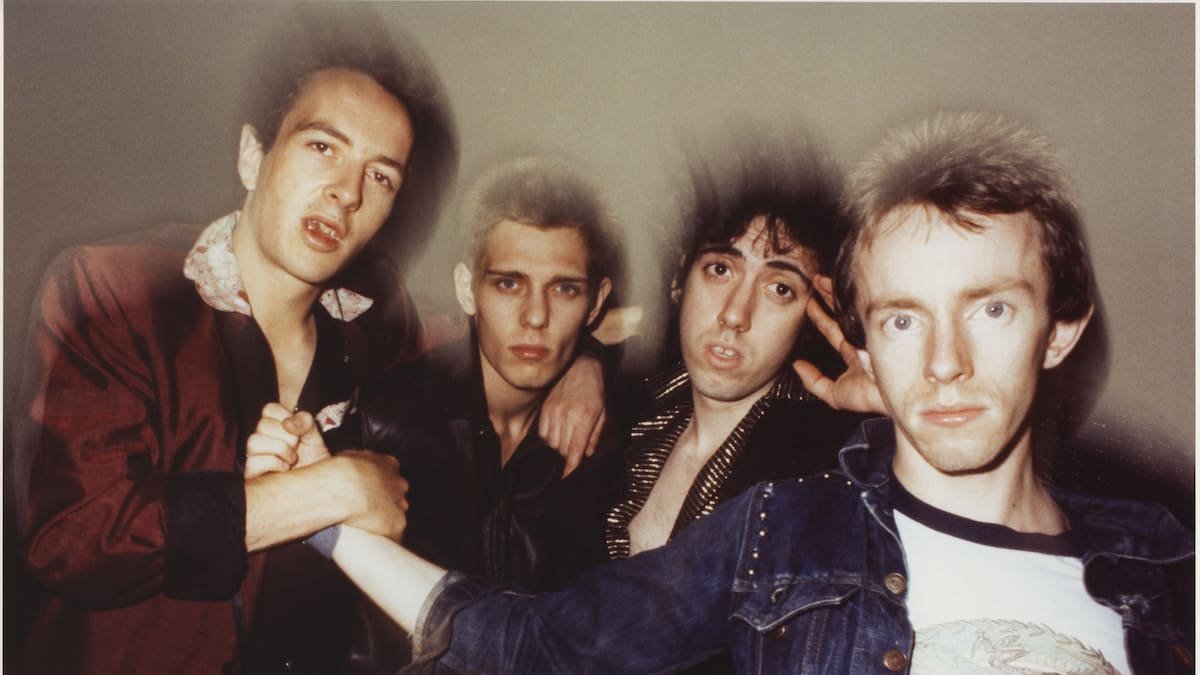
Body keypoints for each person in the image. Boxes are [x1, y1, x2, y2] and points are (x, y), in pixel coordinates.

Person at [316, 112, 1195, 674]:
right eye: (904, 319)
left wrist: (903, 407)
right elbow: (537, 636)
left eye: (991, 308)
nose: (946, 360)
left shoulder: (1168, 572)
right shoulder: (748, 509)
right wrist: (319, 510)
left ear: (1061, 328)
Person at [10, 10, 600, 675]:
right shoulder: (117, 291)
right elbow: (77, 537)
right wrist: (331, 490)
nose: (347, 193)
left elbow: (511, 328)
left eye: (380, 176)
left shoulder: (375, 323)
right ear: (252, 155)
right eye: (323, 147)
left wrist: (585, 364)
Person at [269, 156, 622, 596]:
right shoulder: (382, 423)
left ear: (595, 302)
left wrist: (594, 358)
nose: (536, 316)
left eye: (564, 289)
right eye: (508, 284)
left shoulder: (620, 442)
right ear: (466, 290)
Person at [604, 133, 864, 562]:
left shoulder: (832, 461)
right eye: (721, 269)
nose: (735, 315)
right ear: (679, 281)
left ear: (810, 319)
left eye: (779, 288)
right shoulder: (621, 417)